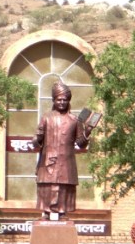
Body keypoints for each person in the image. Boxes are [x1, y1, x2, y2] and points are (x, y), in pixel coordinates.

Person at [31, 81, 95, 220]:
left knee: (64, 186)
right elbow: (38, 139)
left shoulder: (74, 120)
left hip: (66, 161)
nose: (62, 102)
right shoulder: (46, 117)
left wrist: (87, 133)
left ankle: (62, 212)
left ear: (68, 101)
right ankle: (46, 213)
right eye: (59, 99)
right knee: (47, 186)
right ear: (54, 100)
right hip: (48, 160)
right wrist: (37, 139)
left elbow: (80, 144)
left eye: (64, 100)